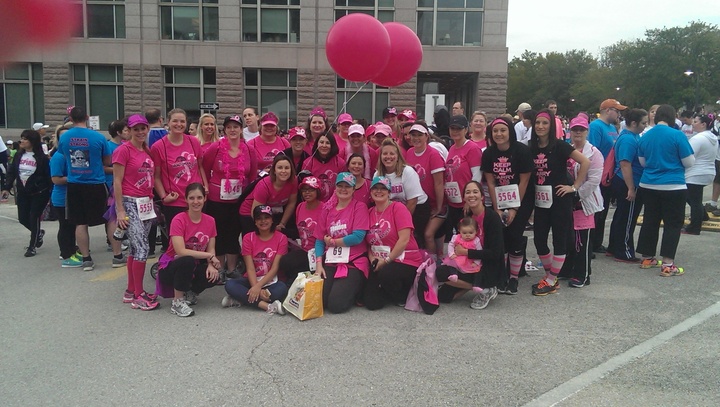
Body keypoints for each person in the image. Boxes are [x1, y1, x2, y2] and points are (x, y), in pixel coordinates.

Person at [529, 109, 589, 296]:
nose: (540, 126)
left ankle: (552, 279)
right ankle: (550, 276)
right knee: (539, 240)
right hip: (540, 200)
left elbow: (585, 162)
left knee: (559, 240)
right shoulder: (531, 146)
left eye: (545, 123)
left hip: (560, 199)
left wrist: (574, 186)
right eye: (538, 123)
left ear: (551, 126)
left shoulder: (561, 146)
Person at [636, 104, 695, 276]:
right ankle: (668, 263)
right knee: (672, 224)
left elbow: (642, 162)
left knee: (650, 220)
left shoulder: (645, 136)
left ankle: (647, 257)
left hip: (648, 183)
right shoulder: (677, 135)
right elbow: (689, 162)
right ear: (672, 117)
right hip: (673, 184)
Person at [481, 117, 534, 294]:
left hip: (521, 199)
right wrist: (497, 209)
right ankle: (502, 276)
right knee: (500, 238)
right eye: (495, 131)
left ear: (510, 131)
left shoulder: (522, 151)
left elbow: (524, 181)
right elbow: (490, 183)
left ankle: (513, 278)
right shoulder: (488, 153)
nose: (499, 134)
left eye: (503, 130)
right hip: (499, 199)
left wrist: (514, 208)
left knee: (514, 236)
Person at [57, 106, 111, 271]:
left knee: (80, 223)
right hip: (96, 183)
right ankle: (117, 254)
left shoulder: (64, 137)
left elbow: (64, 155)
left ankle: (86, 258)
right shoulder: (98, 136)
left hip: (75, 184)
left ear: (71, 119)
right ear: (87, 117)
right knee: (110, 218)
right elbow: (107, 161)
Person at [113, 114, 158, 310]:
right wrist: (120, 209)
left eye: (143, 128)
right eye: (136, 129)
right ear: (129, 131)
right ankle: (138, 295)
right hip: (130, 203)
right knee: (142, 249)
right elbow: (116, 181)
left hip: (145, 203)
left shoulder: (146, 150)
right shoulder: (123, 151)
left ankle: (131, 290)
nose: (140, 132)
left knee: (135, 248)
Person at [202, 115, 257, 275]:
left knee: (233, 233)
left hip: (238, 199)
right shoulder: (216, 147)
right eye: (229, 127)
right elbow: (204, 169)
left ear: (241, 129)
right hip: (216, 199)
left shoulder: (249, 149)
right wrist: (206, 188)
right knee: (218, 233)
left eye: (236, 127)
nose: (233, 130)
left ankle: (232, 270)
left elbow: (252, 176)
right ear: (224, 130)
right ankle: (219, 268)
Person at [435, 181, 504, 310]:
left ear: (482, 196)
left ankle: (486, 288)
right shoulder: (466, 216)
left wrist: (467, 252)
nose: (471, 195)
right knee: (443, 296)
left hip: (487, 266)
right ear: (464, 198)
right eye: (468, 192)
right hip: (466, 264)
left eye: (475, 192)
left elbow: (495, 253)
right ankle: (478, 287)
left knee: (443, 274)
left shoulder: (492, 218)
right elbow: (457, 241)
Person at [157, 183, 221, 316]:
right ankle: (177, 302)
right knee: (187, 260)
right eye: (191, 198)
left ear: (205, 199)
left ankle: (190, 293)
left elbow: (211, 248)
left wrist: (211, 264)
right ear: (185, 199)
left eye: (199, 197)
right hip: (171, 266)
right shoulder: (179, 219)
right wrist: (209, 255)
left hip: (193, 265)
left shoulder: (210, 221)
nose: (196, 202)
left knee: (214, 275)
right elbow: (180, 251)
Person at [363, 175, 424, 310]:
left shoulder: (398, 208)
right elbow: (368, 243)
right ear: (371, 192)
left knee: (386, 274)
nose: (379, 191)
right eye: (375, 188)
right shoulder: (369, 212)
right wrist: (372, 258)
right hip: (379, 260)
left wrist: (386, 261)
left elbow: (404, 239)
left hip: (405, 259)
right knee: (371, 303)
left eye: (383, 189)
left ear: (389, 193)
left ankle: (402, 295)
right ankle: (387, 290)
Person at [557, 115, 603, 287]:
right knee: (570, 239)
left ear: (587, 131)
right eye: (575, 129)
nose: (577, 133)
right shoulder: (567, 150)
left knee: (582, 240)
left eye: (581, 130)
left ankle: (582, 274)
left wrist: (576, 193)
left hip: (585, 202)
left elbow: (594, 180)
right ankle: (568, 268)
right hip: (569, 201)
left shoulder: (594, 153)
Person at [314, 172, 370, 314]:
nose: (343, 189)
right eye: (340, 186)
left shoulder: (359, 207)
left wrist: (333, 242)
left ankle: (359, 288)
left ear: (353, 189)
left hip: (353, 261)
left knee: (336, 305)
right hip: (331, 261)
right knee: (321, 301)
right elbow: (320, 239)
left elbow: (358, 237)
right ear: (335, 187)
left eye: (348, 186)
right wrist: (318, 265)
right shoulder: (327, 209)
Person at [222, 205, 288, 314]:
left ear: (272, 220)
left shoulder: (281, 238)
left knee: (281, 289)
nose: (263, 221)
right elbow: (250, 268)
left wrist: (258, 287)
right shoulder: (248, 238)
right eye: (259, 218)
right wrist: (255, 287)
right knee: (230, 285)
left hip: (271, 280)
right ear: (255, 222)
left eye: (266, 218)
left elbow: (275, 268)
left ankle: (240, 299)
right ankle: (267, 306)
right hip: (251, 279)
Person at [2, 130, 51, 257]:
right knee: (23, 218)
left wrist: (49, 191)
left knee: (34, 216)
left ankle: (32, 246)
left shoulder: (42, 158)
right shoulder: (18, 155)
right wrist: (6, 187)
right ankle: (38, 233)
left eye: (25, 139)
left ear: (32, 141)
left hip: (39, 192)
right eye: (21, 138)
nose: (22, 141)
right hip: (22, 192)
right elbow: (12, 172)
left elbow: (47, 176)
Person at [607, 109, 648, 262]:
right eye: (643, 123)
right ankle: (623, 250)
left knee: (622, 215)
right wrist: (631, 188)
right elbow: (625, 164)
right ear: (633, 123)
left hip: (627, 181)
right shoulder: (628, 140)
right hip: (627, 182)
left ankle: (614, 246)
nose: (645, 126)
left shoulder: (632, 137)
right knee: (628, 218)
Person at [375, 138, 430, 246]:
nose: (388, 157)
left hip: (417, 208)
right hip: (393, 209)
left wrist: (400, 223)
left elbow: (413, 201)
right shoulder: (377, 175)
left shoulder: (408, 171)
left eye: (392, 153)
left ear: (398, 156)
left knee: (408, 237)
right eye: (385, 154)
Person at [588, 99, 626, 253]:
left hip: (609, 175)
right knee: (596, 211)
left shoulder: (612, 128)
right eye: (617, 111)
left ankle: (597, 242)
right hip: (599, 174)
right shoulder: (596, 127)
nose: (619, 114)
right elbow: (592, 151)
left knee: (603, 211)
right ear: (608, 110)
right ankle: (591, 243)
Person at [404, 122, 446, 257]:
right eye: (413, 135)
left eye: (419, 135)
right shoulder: (409, 153)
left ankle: (433, 262)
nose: (416, 138)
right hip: (419, 205)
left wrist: (439, 207)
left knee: (428, 234)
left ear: (426, 136)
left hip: (435, 204)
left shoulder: (433, 154)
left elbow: (439, 183)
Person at [239, 154, 298, 236]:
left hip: (272, 211)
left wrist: (282, 224)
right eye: (280, 168)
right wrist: (268, 228)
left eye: (287, 168)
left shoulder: (293, 181)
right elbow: (255, 212)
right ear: (274, 170)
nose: (283, 171)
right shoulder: (264, 185)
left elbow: (292, 203)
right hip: (250, 212)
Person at [279, 176, 323, 284]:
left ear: (317, 191)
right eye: (304, 190)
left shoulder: (325, 209)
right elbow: (300, 232)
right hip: (304, 250)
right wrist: (281, 230)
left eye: (311, 190)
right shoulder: (300, 207)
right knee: (284, 262)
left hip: (319, 253)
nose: (307, 193)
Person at [444, 114, 482, 235]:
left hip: (466, 203)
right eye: (452, 128)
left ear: (466, 130)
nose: (455, 131)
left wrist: (469, 200)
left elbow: (477, 175)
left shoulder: (472, 148)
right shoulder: (451, 148)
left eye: (459, 129)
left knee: (469, 235)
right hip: (453, 201)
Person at [50, 126, 80, 267]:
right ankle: (66, 254)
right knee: (65, 226)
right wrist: (75, 177)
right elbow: (56, 179)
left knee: (72, 225)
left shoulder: (73, 154)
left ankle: (72, 250)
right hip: (62, 198)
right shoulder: (58, 157)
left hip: (73, 195)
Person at [682, 114, 716, 235]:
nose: (693, 123)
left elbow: (688, 155)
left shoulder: (698, 138)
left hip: (696, 173)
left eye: (695, 121)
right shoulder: (712, 137)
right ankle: (703, 215)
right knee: (694, 198)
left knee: (692, 200)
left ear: (703, 124)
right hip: (708, 171)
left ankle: (694, 227)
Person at [105, 119, 130, 268]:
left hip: (130, 187)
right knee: (115, 218)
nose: (129, 132)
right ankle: (116, 253)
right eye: (126, 130)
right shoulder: (111, 147)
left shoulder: (128, 146)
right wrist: (120, 169)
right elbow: (104, 167)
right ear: (119, 132)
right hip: (114, 186)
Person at [302, 132, 344, 202]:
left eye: (327, 143)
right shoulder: (308, 163)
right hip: (313, 203)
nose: (324, 145)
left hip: (335, 203)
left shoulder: (340, 163)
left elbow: (343, 186)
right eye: (321, 142)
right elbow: (305, 188)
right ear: (317, 144)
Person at [443, 217, 483, 283]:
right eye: (464, 233)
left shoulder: (476, 240)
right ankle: (454, 274)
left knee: (478, 270)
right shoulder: (456, 237)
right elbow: (450, 245)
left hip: (469, 260)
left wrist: (476, 262)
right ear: (459, 230)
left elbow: (479, 252)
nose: (467, 235)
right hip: (457, 257)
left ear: (476, 231)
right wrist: (451, 254)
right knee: (452, 264)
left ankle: (477, 285)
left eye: (471, 233)